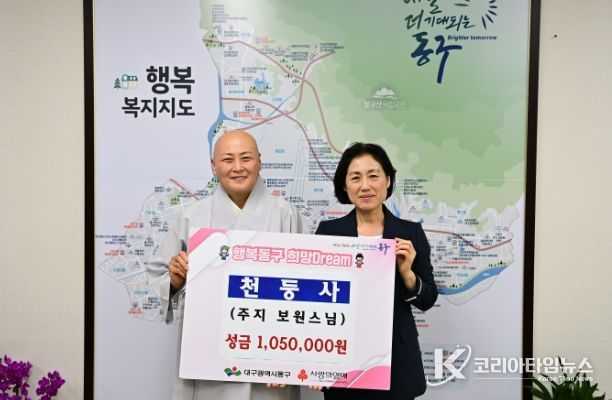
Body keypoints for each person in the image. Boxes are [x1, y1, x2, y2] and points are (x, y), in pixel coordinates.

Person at [147, 130, 302, 400]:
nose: (238, 167)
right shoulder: (191, 216)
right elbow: (158, 275)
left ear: (260, 162)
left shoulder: (286, 214)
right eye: (228, 159)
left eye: (246, 158)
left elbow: (307, 283)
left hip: (268, 352)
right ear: (214, 166)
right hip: (208, 350)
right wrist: (175, 280)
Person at [315, 142, 437, 400]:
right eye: (355, 178)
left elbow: (428, 299)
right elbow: (315, 299)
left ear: (388, 181)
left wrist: (407, 274)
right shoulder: (328, 232)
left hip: (397, 363)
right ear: (345, 186)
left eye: (373, 175)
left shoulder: (410, 233)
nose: (365, 186)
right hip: (343, 360)